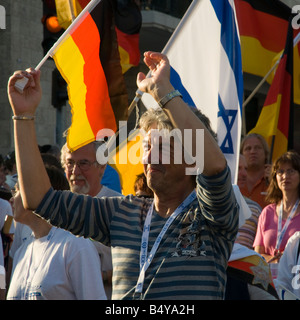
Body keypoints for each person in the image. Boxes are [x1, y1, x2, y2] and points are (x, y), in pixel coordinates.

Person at [7, 51, 238, 300]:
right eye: (148, 147)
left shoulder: (212, 214)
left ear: (193, 159)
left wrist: (162, 92)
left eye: (163, 148)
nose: (149, 158)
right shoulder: (122, 212)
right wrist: (23, 116)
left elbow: (214, 167)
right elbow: (40, 200)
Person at [7, 166, 107, 300]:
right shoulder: (22, 252)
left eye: (17, 190)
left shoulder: (75, 246)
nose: (11, 199)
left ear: (38, 194)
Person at [60, 141, 122, 299]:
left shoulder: (121, 209)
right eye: (70, 163)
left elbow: (138, 267)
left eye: (83, 163)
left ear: (102, 167)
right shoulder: (55, 209)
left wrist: (101, 276)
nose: (75, 171)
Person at [253, 151, 300, 278]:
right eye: (280, 172)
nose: (285, 176)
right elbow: (258, 255)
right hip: (268, 282)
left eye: (291, 171)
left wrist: (286, 259)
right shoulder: (267, 212)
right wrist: (274, 258)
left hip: (295, 284)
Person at [235, 154, 262, 249]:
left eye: (246, 169)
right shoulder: (207, 205)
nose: (244, 174)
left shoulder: (255, 209)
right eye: (238, 168)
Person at [240, 133, 271, 208]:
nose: (252, 151)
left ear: (266, 153)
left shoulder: (275, 180)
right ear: (241, 154)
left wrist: (275, 184)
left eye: (257, 148)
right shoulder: (234, 180)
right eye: (248, 148)